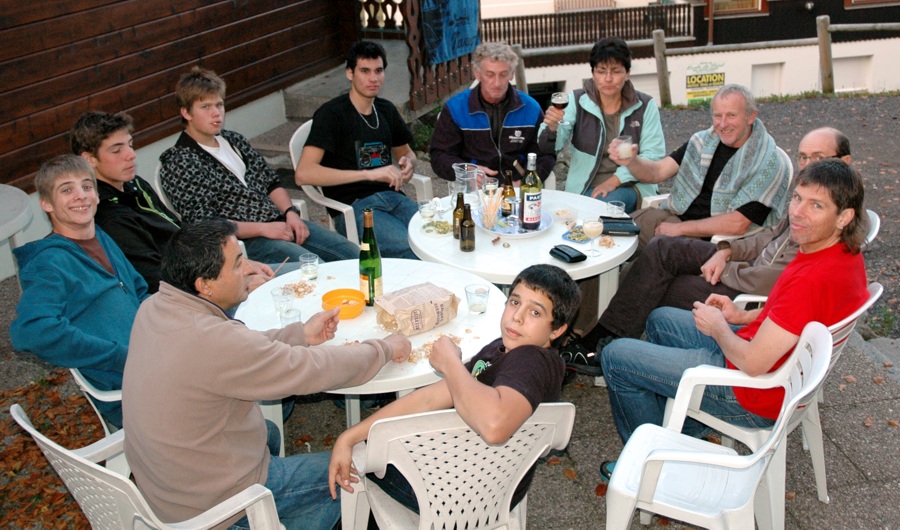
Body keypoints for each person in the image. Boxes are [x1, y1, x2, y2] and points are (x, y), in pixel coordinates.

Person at [122, 218, 412, 529]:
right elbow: (311, 369)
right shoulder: (213, 341)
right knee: (360, 470)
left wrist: (300, 334)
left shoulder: (155, 306)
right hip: (213, 507)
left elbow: (239, 349)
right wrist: (382, 348)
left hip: (167, 487)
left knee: (269, 432)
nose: (248, 269)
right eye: (237, 264)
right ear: (204, 285)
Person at [597, 159, 868, 480]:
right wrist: (741, 315)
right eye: (797, 198)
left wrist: (719, 328)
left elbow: (753, 363)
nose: (797, 212)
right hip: (773, 361)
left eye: (816, 205)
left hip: (751, 392)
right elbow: (794, 318)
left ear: (844, 217)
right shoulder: (841, 255)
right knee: (659, 320)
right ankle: (681, 430)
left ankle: (649, 466)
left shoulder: (811, 279)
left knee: (616, 356)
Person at [563, 127, 853, 373]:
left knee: (661, 283)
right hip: (742, 265)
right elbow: (765, 237)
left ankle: (606, 345)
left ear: (845, 162)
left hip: (748, 288)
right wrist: (726, 251)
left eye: (818, 158)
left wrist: (730, 268)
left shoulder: (832, 221)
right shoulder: (809, 201)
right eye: (803, 157)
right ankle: (603, 336)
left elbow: (777, 280)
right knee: (663, 248)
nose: (807, 165)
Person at [329, 264, 580, 513]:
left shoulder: (532, 360)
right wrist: (349, 436)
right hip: (477, 477)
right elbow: (429, 398)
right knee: (372, 442)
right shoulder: (503, 349)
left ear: (557, 330)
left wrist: (451, 363)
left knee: (352, 462)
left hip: (460, 493)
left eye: (535, 312)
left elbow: (495, 427)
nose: (517, 316)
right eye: (515, 302)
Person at [159, 67, 359, 265]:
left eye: (219, 105)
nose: (216, 113)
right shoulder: (180, 161)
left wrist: (290, 213)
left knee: (355, 255)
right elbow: (205, 224)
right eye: (206, 107)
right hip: (242, 242)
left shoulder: (233, 140)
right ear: (186, 112)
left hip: (279, 223)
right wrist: (263, 229)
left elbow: (271, 182)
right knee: (315, 268)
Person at [71, 110, 286, 294]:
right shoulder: (109, 216)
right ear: (89, 159)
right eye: (117, 150)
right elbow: (158, 280)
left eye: (130, 145)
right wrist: (233, 283)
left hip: (206, 272)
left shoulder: (133, 185)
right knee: (288, 286)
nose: (131, 155)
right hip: (195, 297)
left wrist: (237, 263)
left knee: (298, 273)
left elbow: (180, 233)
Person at [10, 155, 148, 428]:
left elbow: (139, 292)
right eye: (66, 190)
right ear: (46, 204)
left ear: (96, 194)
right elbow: (32, 330)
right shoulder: (49, 263)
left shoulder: (101, 237)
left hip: (156, 359)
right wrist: (120, 356)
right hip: (130, 392)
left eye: (86, 186)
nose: (81, 196)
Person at [611, 84, 791, 249]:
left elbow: (738, 224)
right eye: (717, 116)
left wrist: (680, 229)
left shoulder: (768, 163)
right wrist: (632, 161)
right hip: (673, 217)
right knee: (612, 231)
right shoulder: (702, 142)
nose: (722, 124)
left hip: (709, 241)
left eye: (731, 115)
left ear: (751, 116)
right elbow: (657, 172)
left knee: (645, 257)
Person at [295, 41, 419, 259]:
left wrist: (409, 164)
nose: (373, 78)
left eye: (378, 71)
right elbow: (303, 174)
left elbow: (406, 153)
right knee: (409, 249)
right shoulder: (331, 114)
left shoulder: (386, 110)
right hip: (356, 207)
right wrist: (368, 174)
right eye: (365, 71)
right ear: (350, 73)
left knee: (437, 238)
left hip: (394, 198)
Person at [537, 37, 666, 213]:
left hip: (632, 184)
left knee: (598, 209)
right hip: (584, 186)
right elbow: (548, 147)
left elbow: (653, 156)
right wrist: (552, 128)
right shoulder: (577, 100)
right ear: (593, 73)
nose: (608, 78)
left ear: (627, 73)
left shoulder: (644, 105)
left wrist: (615, 180)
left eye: (616, 71)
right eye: (601, 71)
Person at [429, 41, 555, 184]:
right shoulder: (456, 108)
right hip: (474, 189)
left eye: (503, 74)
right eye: (490, 75)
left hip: (518, 187)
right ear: (477, 73)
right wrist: (467, 171)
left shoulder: (530, 108)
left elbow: (546, 154)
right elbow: (439, 155)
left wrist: (526, 182)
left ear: (512, 74)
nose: (497, 83)